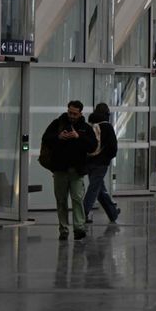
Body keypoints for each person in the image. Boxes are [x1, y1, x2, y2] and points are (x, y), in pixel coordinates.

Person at [41, 99, 97, 240]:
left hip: (76, 171)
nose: (72, 116)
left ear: (80, 113)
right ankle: (63, 229)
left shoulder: (85, 128)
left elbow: (92, 146)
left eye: (75, 113)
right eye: (70, 112)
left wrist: (78, 137)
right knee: (61, 200)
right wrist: (59, 137)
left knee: (77, 199)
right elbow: (46, 139)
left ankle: (79, 228)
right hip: (60, 169)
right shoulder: (57, 124)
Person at [82, 102, 120, 222]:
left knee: (99, 188)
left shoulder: (90, 125)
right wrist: (107, 158)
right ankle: (83, 213)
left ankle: (113, 213)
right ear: (106, 114)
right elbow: (113, 147)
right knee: (94, 188)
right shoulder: (107, 127)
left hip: (89, 162)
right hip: (101, 163)